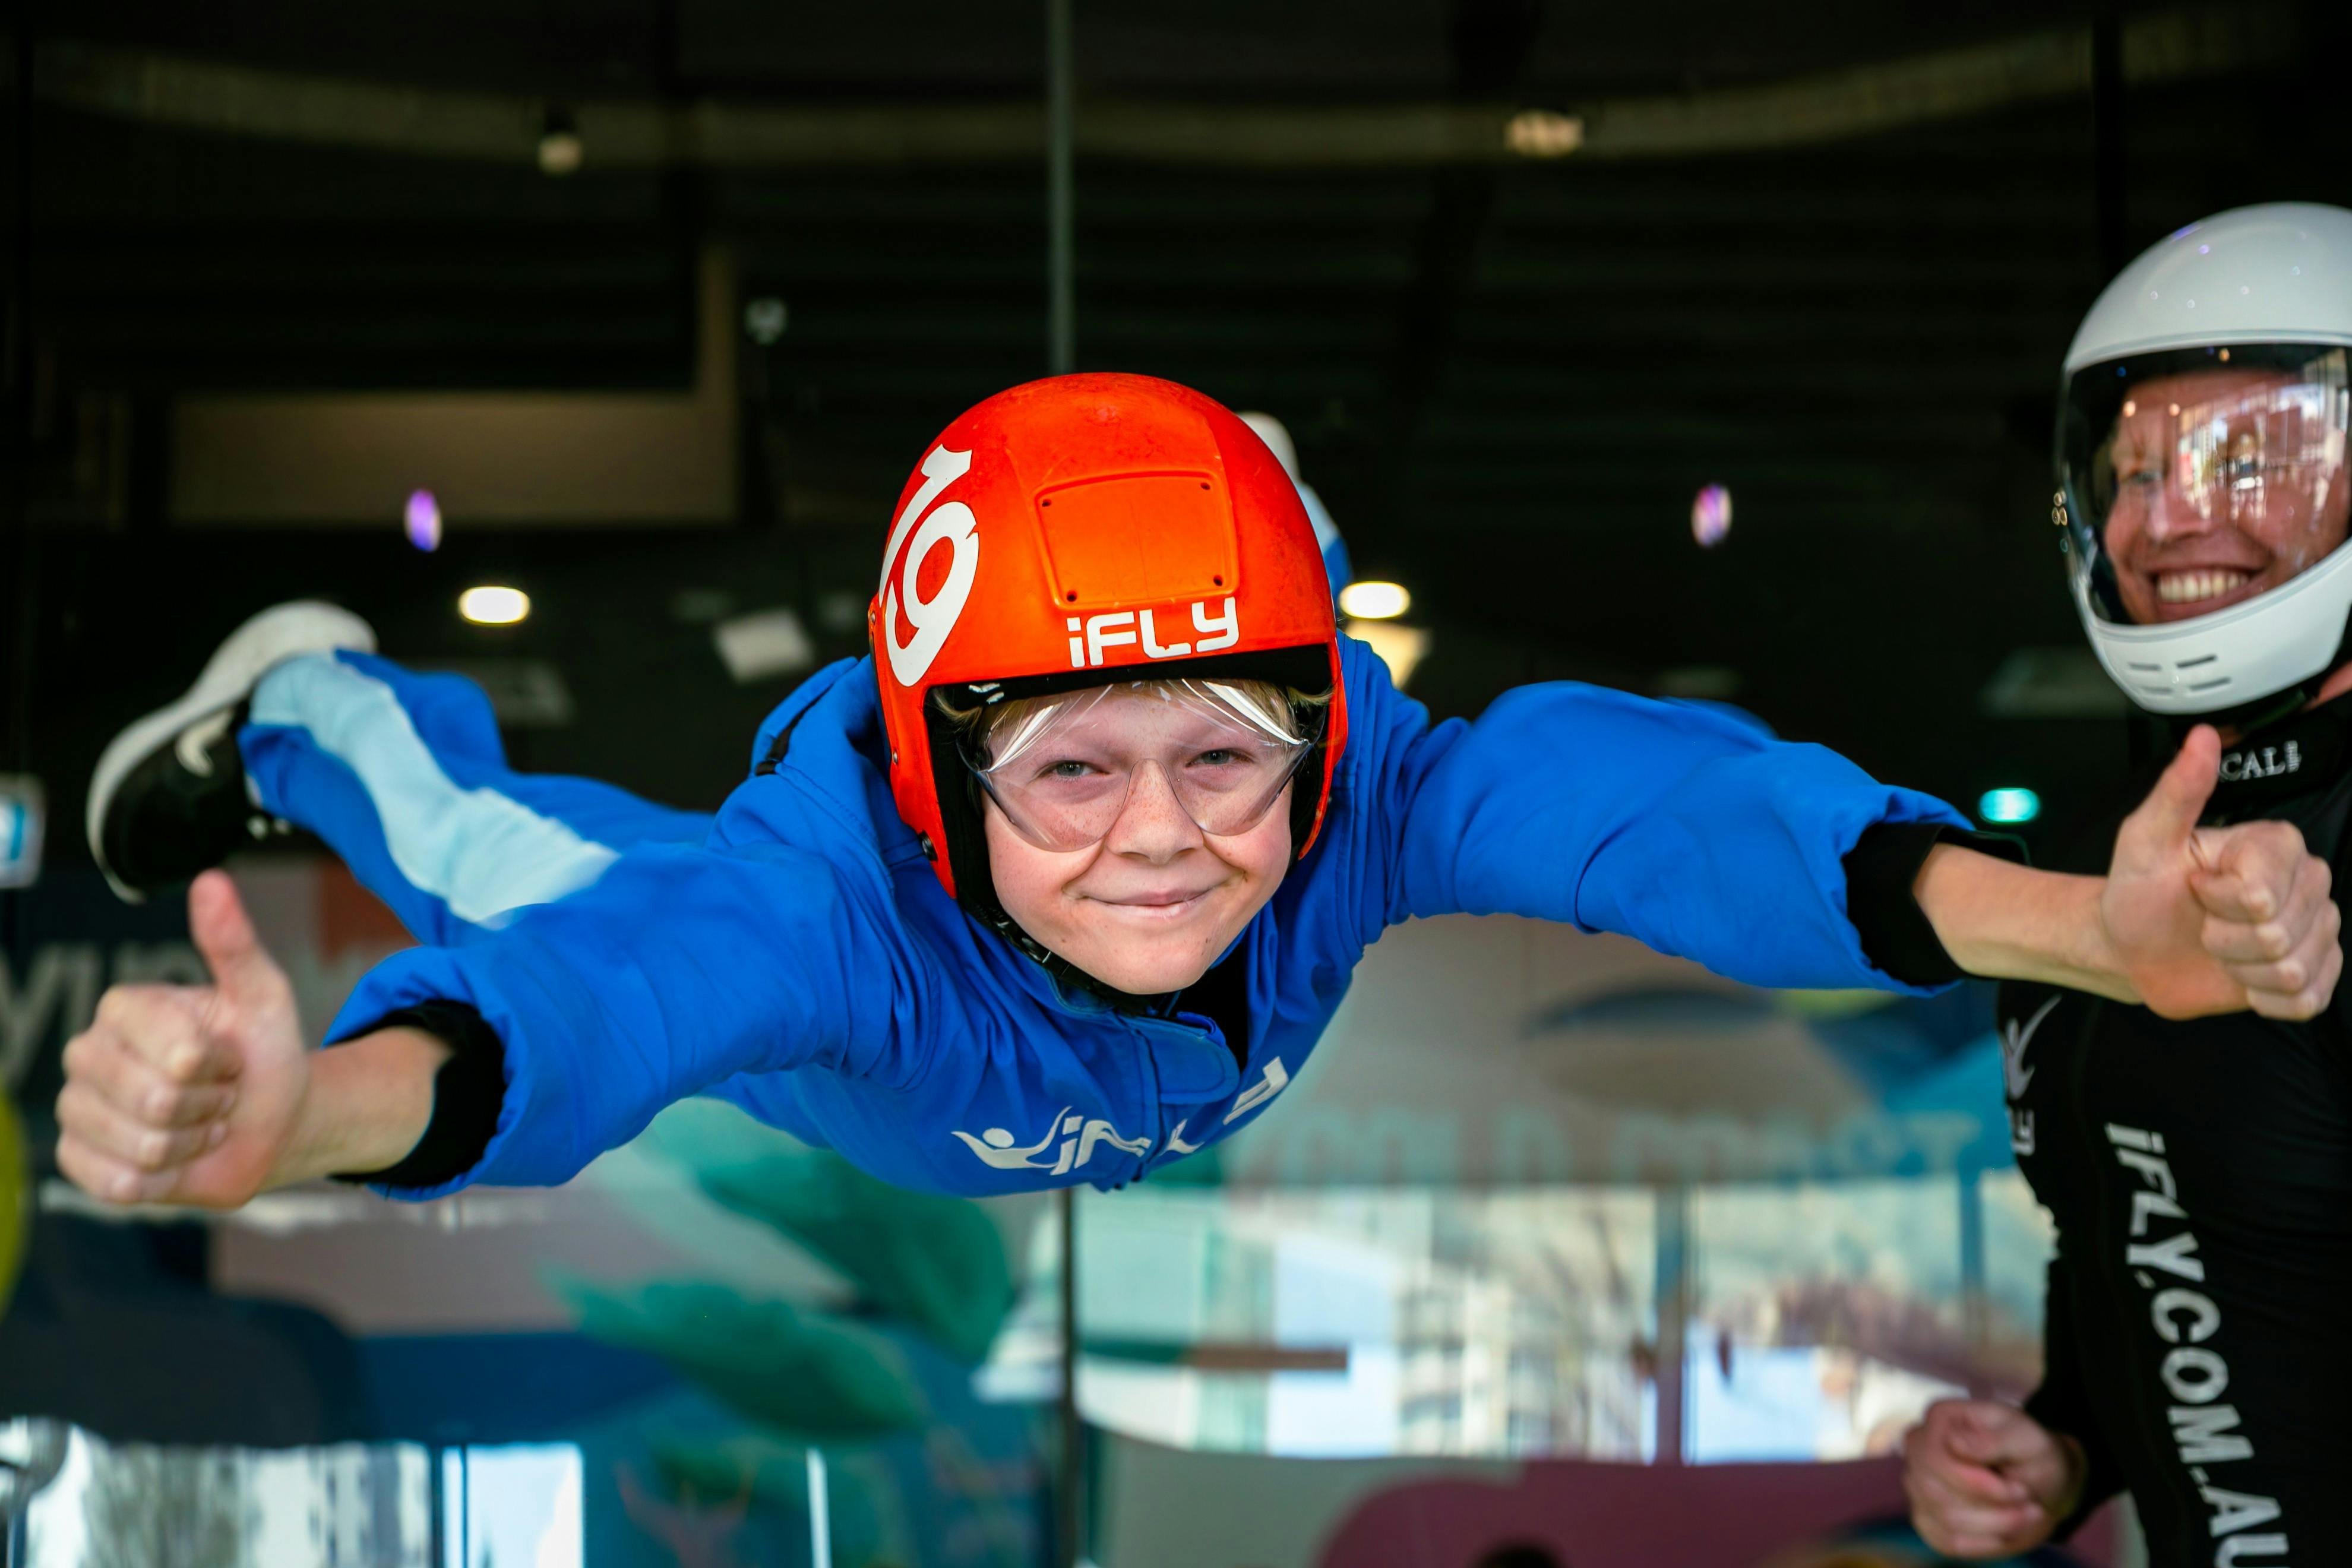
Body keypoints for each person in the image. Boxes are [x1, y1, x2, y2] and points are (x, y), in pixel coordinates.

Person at [52, 372, 2338, 1213]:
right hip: (832, 1037)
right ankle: (307, 699)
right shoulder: (819, 912)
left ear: (1322, 717)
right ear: (943, 780)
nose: (1161, 835)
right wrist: (317, 1125)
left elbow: (1667, 817)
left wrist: (2083, 932)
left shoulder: (1366, 798)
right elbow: (570, 1019)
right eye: (1063, 767)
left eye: (1230, 747)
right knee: (486, 850)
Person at [1903, 203, 2352, 1565]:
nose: (2165, 517)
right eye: (2136, 465)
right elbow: (2148, 1254)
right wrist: (2066, 1448)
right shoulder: (2100, 879)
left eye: (2246, 456)